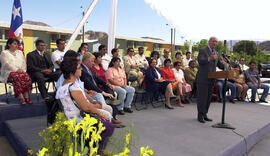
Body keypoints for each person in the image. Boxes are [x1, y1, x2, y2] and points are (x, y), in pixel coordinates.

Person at [55, 57, 114, 153]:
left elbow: (82, 104)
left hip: (71, 119)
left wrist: (95, 105)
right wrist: (99, 111)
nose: (81, 69)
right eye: (79, 68)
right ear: (72, 71)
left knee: (105, 119)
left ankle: (94, 147)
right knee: (108, 125)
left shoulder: (64, 86)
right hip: (78, 122)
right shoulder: (73, 87)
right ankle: (95, 150)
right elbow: (86, 107)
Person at [80, 52, 122, 125]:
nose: (93, 63)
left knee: (109, 90)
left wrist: (107, 83)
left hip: (95, 89)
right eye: (92, 61)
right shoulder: (82, 70)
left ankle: (110, 111)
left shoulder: (89, 69)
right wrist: (102, 92)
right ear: (87, 61)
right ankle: (109, 117)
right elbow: (89, 84)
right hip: (90, 92)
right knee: (101, 95)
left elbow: (97, 78)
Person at [196, 37, 224, 123]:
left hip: (212, 79)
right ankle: (200, 115)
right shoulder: (203, 50)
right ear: (209, 42)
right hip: (203, 78)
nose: (215, 43)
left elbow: (220, 65)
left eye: (216, 42)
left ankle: (205, 114)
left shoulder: (216, 53)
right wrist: (209, 58)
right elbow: (200, 60)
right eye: (213, 41)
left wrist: (226, 65)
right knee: (202, 98)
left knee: (208, 98)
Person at [0, 38, 32, 105]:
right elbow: (6, 64)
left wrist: (22, 70)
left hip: (21, 71)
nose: (16, 45)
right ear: (9, 44)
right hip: (8, 72)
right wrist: (16, 70)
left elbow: (24, 62)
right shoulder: (4, 53)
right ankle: (21, 98)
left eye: (17, 44)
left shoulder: (20, 52)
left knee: (26, 76)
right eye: (14, 44)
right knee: (17, 77)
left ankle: (27, 97)